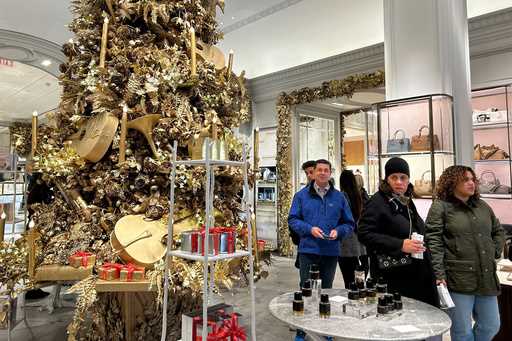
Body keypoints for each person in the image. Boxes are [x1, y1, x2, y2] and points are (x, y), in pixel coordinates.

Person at [425, 165, 505, 341]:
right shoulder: (441, 207)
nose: (471, 183)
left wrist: (495, 250)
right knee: (462, 331)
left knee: (491, 325)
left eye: (472, 179)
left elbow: (498, 231)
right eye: (465, 180)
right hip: (457, 277)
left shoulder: (482, 206)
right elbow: (433, 242)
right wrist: (439, 273)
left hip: (486, 276)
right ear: (452, 183)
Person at [358, 157, 438, 307]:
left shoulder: (405, 199)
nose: (399, 182)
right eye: (394, 177)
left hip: (415, 273)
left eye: (403, 177)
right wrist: (399, 244)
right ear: (387, 179)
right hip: (393, 276)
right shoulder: (378, 202)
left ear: (408, 179)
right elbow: (364, 233)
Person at [289, 159, 354, 341]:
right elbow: (293, 220)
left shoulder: (339, 197)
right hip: (308, 250)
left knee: (326, 290)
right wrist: (309, 229)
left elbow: (349, 223)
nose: (323, 173)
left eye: (326, 170)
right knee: (306, 289)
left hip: (330, 251)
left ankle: (324, 327)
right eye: (319, 170)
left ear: (330, 173)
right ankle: (302, 328)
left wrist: (338, 231)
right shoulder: (301, 196)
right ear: (314, 173)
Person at [338, 169, 369, 288]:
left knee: (348, 281)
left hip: (346, 244)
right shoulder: (361, 196)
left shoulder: (341, 197)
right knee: (359, 280)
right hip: (361, 243)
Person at [290, 160, 316, 269]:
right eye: (307, 173)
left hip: (326, 248)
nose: (309, 176)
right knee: (306, 282)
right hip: (306, 245)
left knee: (325, 283)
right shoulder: (300, 195)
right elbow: (293, 219)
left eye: (311, 172)